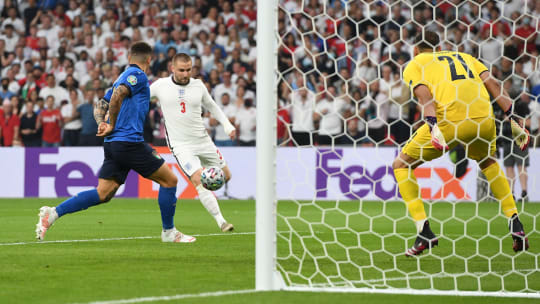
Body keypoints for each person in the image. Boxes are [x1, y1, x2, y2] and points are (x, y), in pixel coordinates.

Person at [36, 42, 195, 243]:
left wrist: (102, 122)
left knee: (103, 193)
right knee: (170, 181)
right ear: (149, 60)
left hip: (113, 144)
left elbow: (100, 103)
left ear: (129, 58)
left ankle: (53, 213)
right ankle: (169, 232)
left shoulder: (121, 77)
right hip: (129, 142)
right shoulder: (137, 75)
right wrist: (109, 125)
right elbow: (119, 94)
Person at [392, 31, 530, 256]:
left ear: (416, 49)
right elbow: (493, 84)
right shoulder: (465, 57)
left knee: (401, 165)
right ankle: (515, 221)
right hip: (484, 121)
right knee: (488, 162)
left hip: (449, 122)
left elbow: (425, 97)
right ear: (439, 48)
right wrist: (513, 117)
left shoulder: (415, 63)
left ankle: (423, 231)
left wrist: (432, 125)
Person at [150, 53, 235, 232]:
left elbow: (212, 106)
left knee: (226, 176)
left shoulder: (198, 85)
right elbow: (140, 99)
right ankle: (222, 222)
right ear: (172, 68)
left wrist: (228, 126)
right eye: (181, 70)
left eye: (189, 70)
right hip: (181, 145)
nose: (185, 74)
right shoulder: (160, 86)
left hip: (203, 141)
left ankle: (206, 194)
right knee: (199, 179)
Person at [502, 92, 531, 202]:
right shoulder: (502, 105)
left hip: (520, 139)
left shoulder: (522, 107)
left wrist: (513, 119)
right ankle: (511, 193)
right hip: (507, 139)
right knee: (509, 167)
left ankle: (524, 192)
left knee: (521, 166)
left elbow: (529, 122)